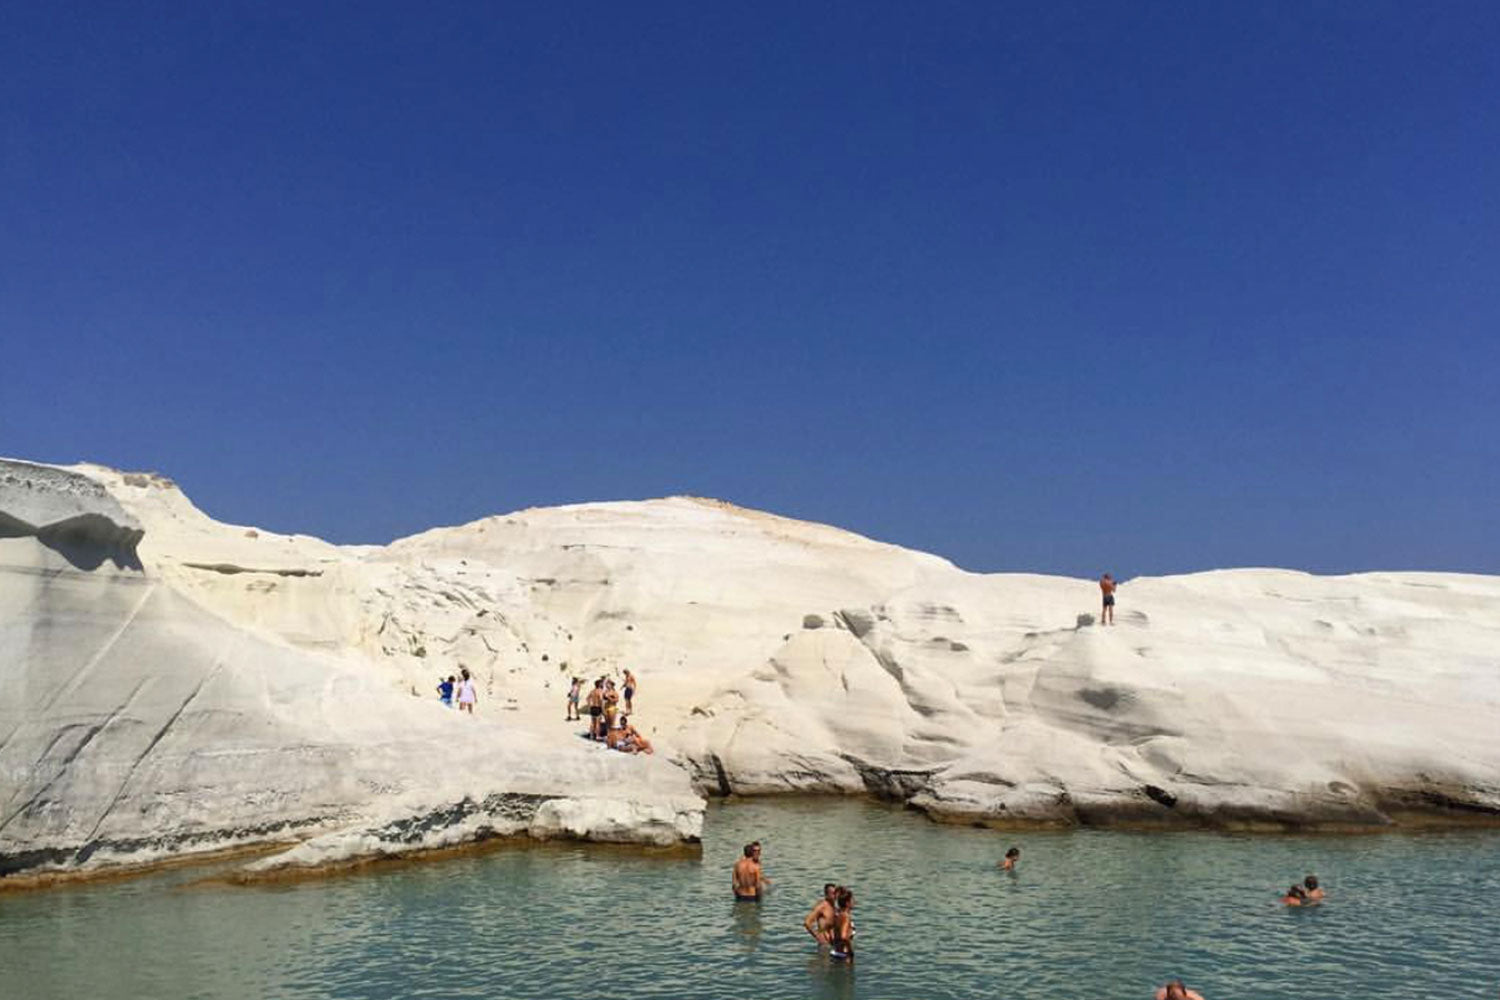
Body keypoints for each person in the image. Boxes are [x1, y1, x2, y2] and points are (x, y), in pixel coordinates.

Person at [829, 887, 855, 961]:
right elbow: (843, 937)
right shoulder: (846, 917)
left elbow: (831, 932)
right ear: (847, 903)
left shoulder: (837, 915)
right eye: (852, 900)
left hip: (835, 952)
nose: (854, 902)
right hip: (843, 955)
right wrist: (850, 951)